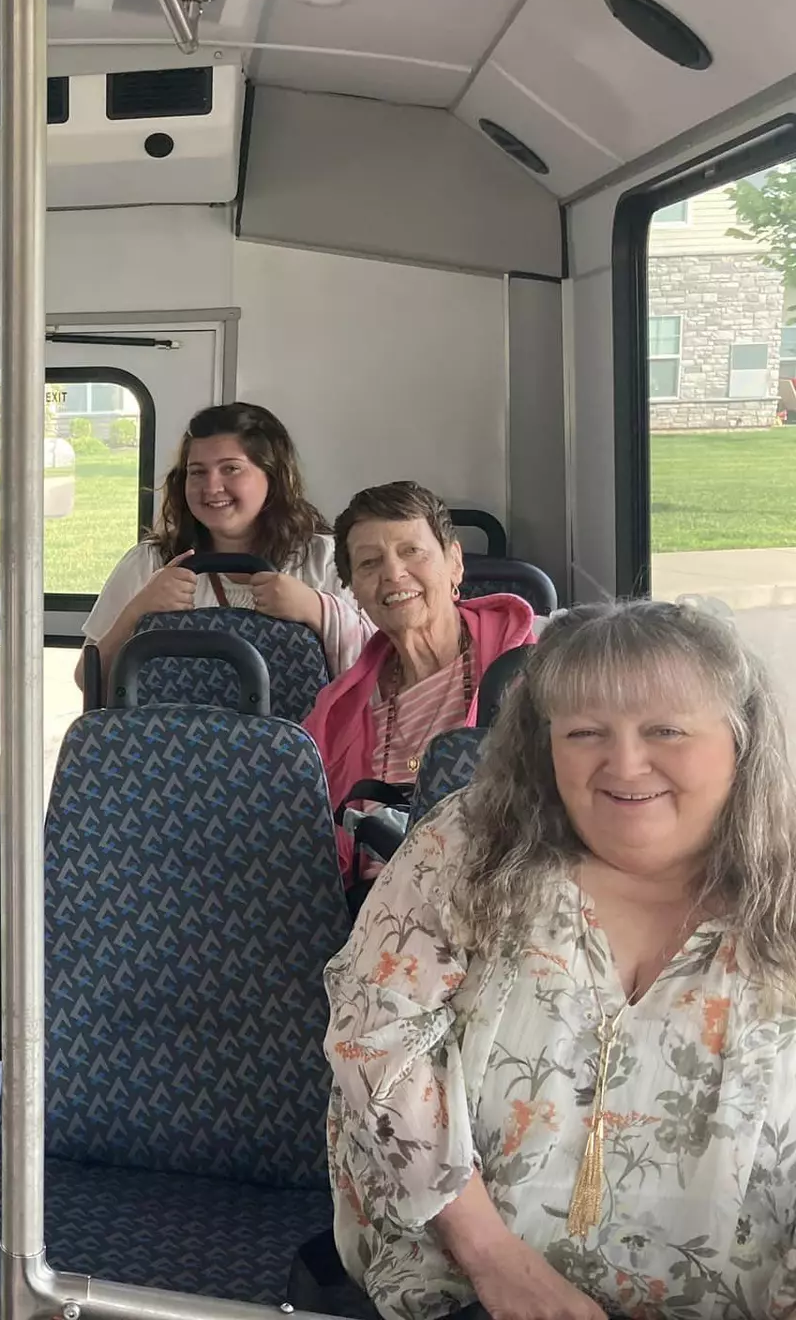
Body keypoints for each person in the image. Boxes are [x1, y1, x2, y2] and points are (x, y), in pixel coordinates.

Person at [324, 601, 796, 1320]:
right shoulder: (467, 847)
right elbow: (374, 1033)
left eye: (665, 729)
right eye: (586, 733)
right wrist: (494, 1261)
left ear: (740, 740)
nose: (626, 763)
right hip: (464, 1291)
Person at [306, 481, 536, 876]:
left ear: (455, 563)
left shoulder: (532, 668)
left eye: (411, 552)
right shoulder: (335, 712)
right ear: (354, 591)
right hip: (369, 911)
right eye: (369, 563)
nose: (393, 573)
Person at [78, 401, 372, 687]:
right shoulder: (149, 563)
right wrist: (138, 611)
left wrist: (316, 610)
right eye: (197, 472)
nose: (211, 487)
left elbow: (385, 676)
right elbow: (87, 680)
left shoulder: (327, 560)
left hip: (306, 736)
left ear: (273, 476)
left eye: (231, 469)